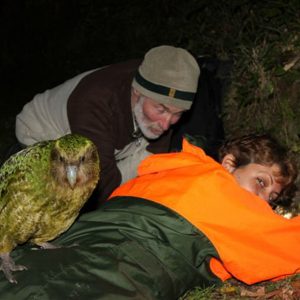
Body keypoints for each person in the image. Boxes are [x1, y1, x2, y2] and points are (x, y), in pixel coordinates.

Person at [0, 134, 299, 300]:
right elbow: (289, 245)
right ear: (229, 164)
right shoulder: (222, 192)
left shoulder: (170, 171)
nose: (261, 202)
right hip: (122, 266)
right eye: (260, 182)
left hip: (76, 239)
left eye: (272, 199)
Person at [14, 45, 201, 204]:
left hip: (119, 133)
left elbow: (155, 159)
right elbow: (102, 187)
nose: (167, 124)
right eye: (161, 110)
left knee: (150, 167)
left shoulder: (160, 83)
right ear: (137, 92)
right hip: (45, 131)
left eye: (178, 114)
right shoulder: (93, 102)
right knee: (69, 201)